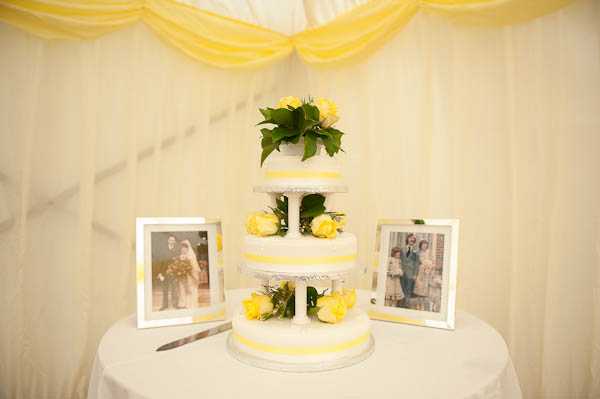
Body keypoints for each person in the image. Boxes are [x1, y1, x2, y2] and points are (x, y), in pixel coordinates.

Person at [156, 235, 179, 311]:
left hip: (173, 273)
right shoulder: (163, 250)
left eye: (173, 240)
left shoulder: (176, 251)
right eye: (170, 240)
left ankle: (175, 304)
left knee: (174, 289)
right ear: (168, 241)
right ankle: (164, 305)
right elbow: (160, 262)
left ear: (174, 242)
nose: (172, 241)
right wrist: (159, 273)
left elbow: (178, 262)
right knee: (165, 290)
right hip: (164, 272)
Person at [177, 240, 201, 309]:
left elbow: (194, 267)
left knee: (190, 288)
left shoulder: (191, 256)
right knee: (182, 289)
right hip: (183, 275)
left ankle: (190, 304)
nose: (183, 249)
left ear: (187, 248)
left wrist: (193, 276)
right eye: (182, 248)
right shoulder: (181, 256)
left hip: (190, 275)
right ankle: (183, 303)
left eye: (185, 248)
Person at [400, 233, 420, 307]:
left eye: (413, 239)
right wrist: (400, 270)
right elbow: (400, 260)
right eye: (410, 238)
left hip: (411, 272)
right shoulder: (402, 248)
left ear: (414, 241)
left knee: (408, 288)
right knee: (402, 287)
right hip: (402, 271)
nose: (411, 239)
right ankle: (401, 303)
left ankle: (407, 304)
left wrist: (415, 274)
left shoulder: (416, 250)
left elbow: (417, 263)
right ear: (407, 239)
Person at [414, 240, 435, 310]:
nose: (424, 246)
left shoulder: (429, 253)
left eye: (425, 245)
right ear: (420, 245)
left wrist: (429, 268)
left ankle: (422, 305)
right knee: (418, 289)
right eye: (423, 245)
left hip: (426, 273)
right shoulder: (417, 253)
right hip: (419, 272)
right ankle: (418, 304)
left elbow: (433, 263)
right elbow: (415, 263)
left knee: (424, 291)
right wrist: (415, 274)